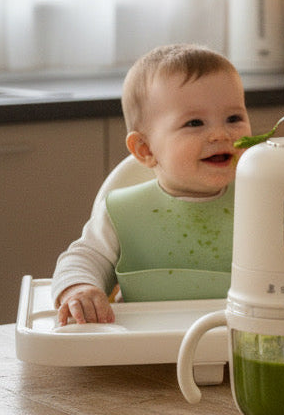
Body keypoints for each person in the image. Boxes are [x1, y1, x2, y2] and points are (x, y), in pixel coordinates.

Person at [52, 43, 251, 325]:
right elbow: (84, 258)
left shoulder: (263, 200)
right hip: (143, 346)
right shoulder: (123, 213)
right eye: (195, 123)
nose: (220, 134)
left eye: (234, 118)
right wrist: (79, 288)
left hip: (238, 342)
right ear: (145, 149)